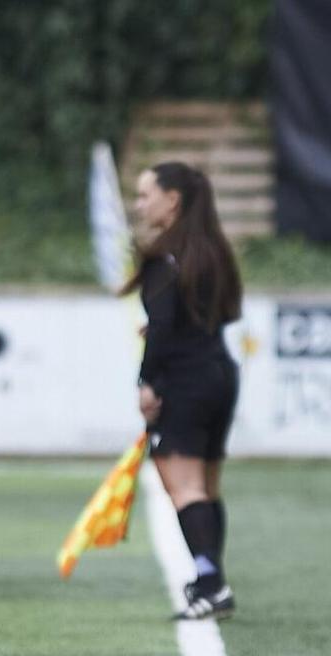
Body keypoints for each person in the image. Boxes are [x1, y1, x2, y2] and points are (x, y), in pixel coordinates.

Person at [123, 161, 243, 620]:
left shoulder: (163, 257)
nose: (139, 205)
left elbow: (163, 332)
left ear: (172, 200)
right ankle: (210, 579)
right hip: (218, 375)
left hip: (184, 383)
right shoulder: (212, 250)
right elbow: (219, 315)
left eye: (144, 195)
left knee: (186, 489)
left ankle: (210, 585)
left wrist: (147, 382)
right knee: (207, 487)